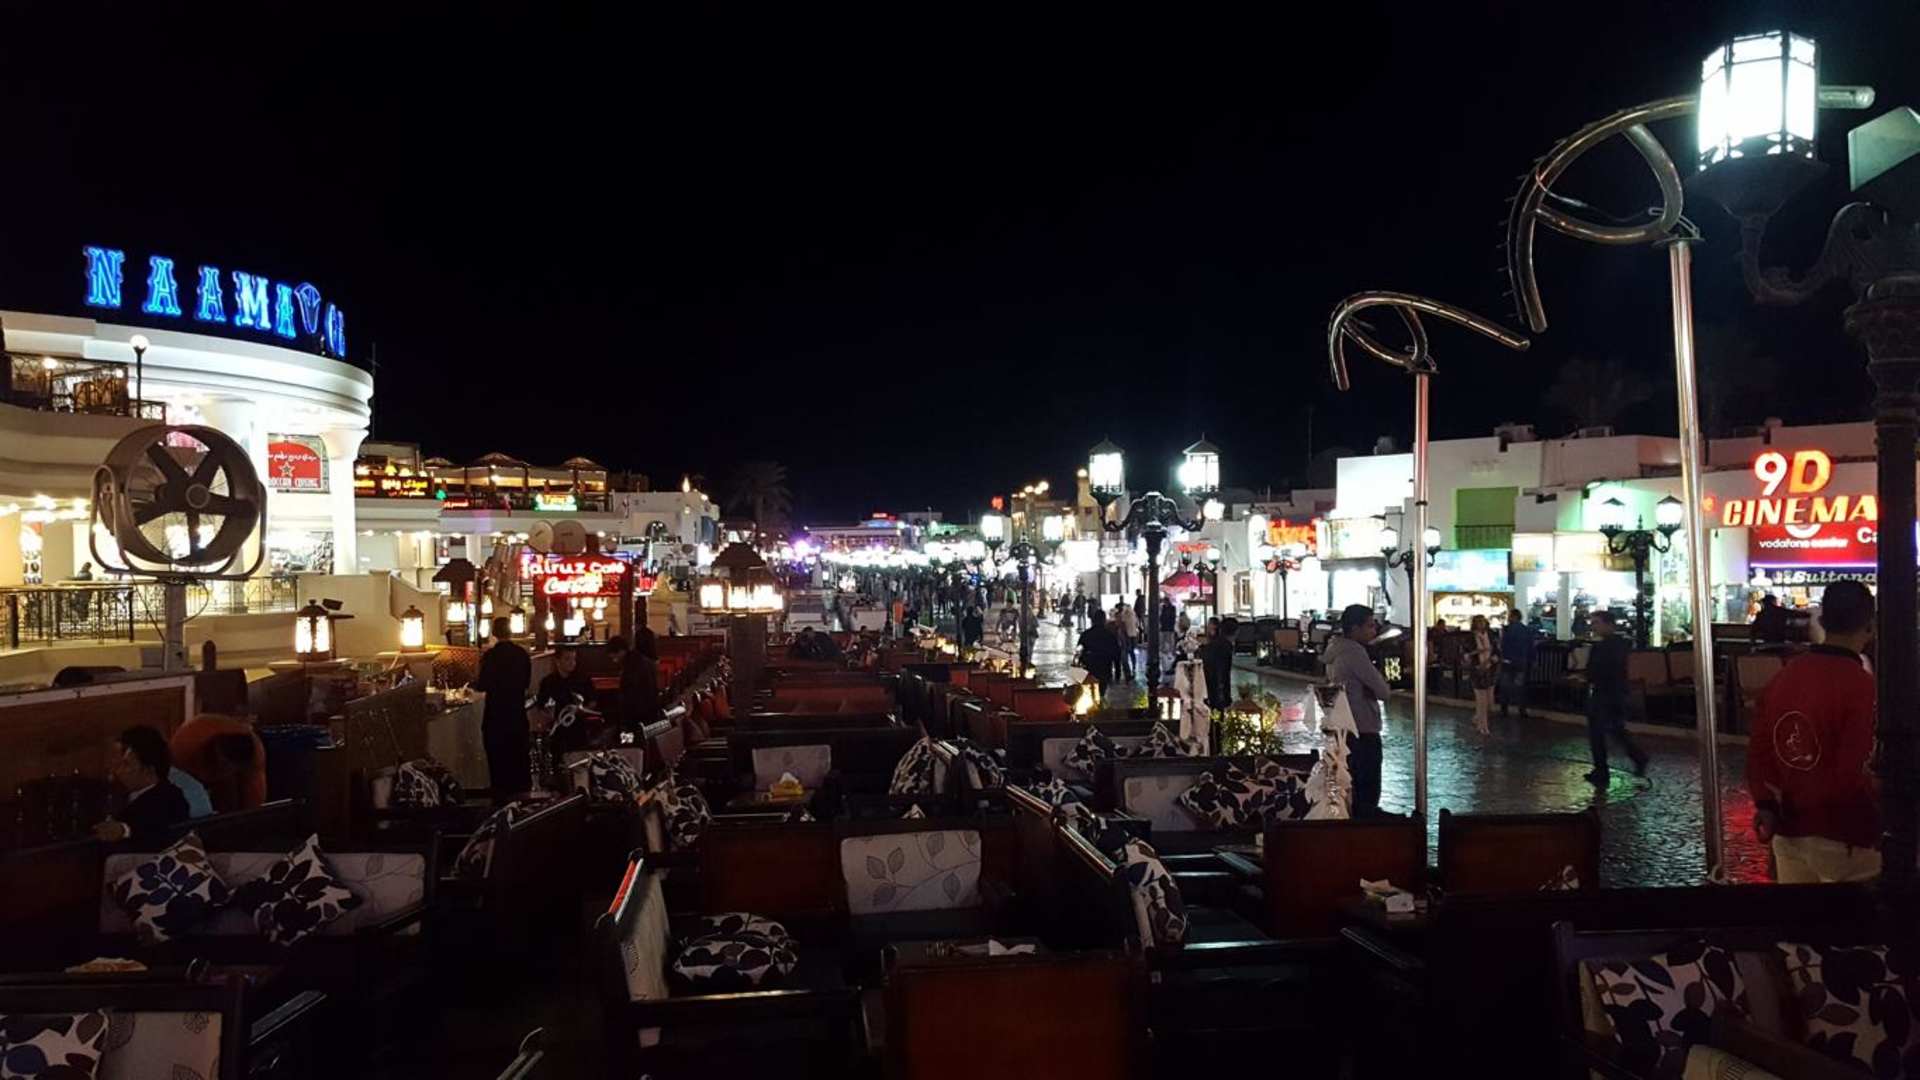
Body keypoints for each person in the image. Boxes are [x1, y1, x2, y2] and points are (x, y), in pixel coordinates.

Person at [1748, 581, 1879, 883]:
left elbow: (1760, 750)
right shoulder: (1863, 688)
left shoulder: (1784, 677)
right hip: (1845, 836)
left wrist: (1766, 804)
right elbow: (1858, 768)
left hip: (1788, 828)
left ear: (1821, 620)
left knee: (1799, 912)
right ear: (1870, 626)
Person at [1324, 604, 1391, 817]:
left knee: (1351, 787)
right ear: (1355, 628)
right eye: (1370, 626)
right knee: (1367, 789)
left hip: (1343, 726)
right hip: (1362, 727)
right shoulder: (1354, 653)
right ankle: (1366, 828)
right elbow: (1383, 691)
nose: (1374, 630)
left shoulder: (1334, 651)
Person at [1581, 610, 1648, 784]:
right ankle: (1636, 757)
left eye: (1596, 623)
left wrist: (1590, 676)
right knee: (1614, 730)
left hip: (1607, 693)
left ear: (1608, 624)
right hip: (1610, 692)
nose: (1593, 627)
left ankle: (1602, 770)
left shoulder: (1609, 646)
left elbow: (1604, 669)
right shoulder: (1614, 645)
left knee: (1599, 732)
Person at [94, 726, 190, 845]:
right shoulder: (118, 795)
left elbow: (161, 831)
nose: (117, 771)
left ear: (149, 770)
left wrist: (124, 831)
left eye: (126, 764)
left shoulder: (170, 798)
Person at [472, 616, 533, 796]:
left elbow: (482, 685)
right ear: (510, 631)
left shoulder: (490, 656)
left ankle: (501, 798)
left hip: (496, 715)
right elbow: (526, 683)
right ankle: (522, 796)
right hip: (517, 713)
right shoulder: (522, 654)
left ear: (494, 633)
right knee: (519, 757)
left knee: (498, 760)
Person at [170, 714, 267, 812]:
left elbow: (254, 804)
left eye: (226, 769)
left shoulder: (254, 754)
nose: (218, 773)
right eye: (221, 767)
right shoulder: (183, 748)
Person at [534, 646, 596, 754]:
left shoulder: (583, 679)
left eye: (574, 659)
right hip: (556, 731)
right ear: (557, 661)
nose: (572, 663)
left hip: (578, 730)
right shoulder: (548, 682)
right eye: (567, 659)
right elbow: (540, 706)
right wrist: (548, 716)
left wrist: (581, 709)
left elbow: (593, 702)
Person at [620, 627, 664, 737]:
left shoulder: (634, 662)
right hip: (649, 707)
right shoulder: (646, 662)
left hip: (638, 709)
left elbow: (630, 690)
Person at [1497, 608, 1536, 720]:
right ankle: (1522, 709)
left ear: (1513, 617)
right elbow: (1531, 647)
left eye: (1509, 616)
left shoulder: (1507, 630)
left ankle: (1504, 709)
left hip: (1507, 661)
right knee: (1520, 686)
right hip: (1521, 661)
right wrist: (1532, 660)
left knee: (1505, 686)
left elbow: (1503, 646)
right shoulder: (1526, 630)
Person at [1466, 614, 1499, 735]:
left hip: (1490, 668)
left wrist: (1494, 658)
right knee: (1481, 699)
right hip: (1477, 670)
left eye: (1482, 621)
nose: (1481, 624)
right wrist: (1476, 652)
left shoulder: (1491, 635)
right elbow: (1466, 654)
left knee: (1489, 701)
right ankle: (1483, 726)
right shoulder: (1471, 637)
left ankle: (1478, 718)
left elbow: (1496, 650)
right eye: (1478, 622)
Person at [1076, 609, 1121, 692]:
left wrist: (1076, 675)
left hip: (1089, 671)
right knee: (1101, 692)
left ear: (1093, 620)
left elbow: (1078, 654)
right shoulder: (1110, 636)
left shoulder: (1085, 635)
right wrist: (1117, 675)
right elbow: (1116, 655)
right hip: (1104, 670)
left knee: (1088, 693)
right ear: (1104, 621)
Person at [1201, 617, 1238, 713]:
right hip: (1216, 687)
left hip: (1207, 683)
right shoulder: (1225, 646)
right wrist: (1225, 696)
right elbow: (1224, 673)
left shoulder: (1214, 644)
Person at [1115, 601, 1140, 681]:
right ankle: (1133, 667)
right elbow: (1137, 624)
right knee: (1132, 652)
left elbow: (1121, 625)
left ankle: (1127, 672)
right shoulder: (1133, 614)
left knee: (1124, 653)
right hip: (1133, 635)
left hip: (1125, 636)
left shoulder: (1122, 615)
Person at [1158, 596, 1177, 672]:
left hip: (1168, 628)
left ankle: (1169, 653)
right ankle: (1165, 653)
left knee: (1169, 641)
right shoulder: (1164, 607)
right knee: (1165, 641)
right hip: (1165, 627)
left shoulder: (1171, 608)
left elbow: (1172, 617)